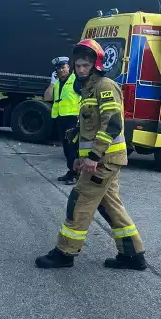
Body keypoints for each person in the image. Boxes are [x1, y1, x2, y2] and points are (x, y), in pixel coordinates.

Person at [36, 39, 146, 271]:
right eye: (78, 66)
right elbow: (88, 129)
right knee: (110, 206)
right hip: (103, 160)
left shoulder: (104, 86)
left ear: (96, 65)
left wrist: (94, 157)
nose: (80, 70)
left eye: (85, 65)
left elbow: (112, 124)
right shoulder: (88, 90)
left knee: (80, 201)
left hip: (104, 161)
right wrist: (80, 156)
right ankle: (133, 255)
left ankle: (65, 253)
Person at [44, 56, 80, 184]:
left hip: (73, 119)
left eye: (63, 67)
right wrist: (52, 83)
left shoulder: (76, 80)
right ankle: (71, 171)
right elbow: (47, 98)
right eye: (58, 68)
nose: (61, 70)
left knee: (73, 148)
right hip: (60, 119)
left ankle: (75, 175)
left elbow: (85, 98)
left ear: (68, 67)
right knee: (66, 148)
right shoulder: (57, 83)